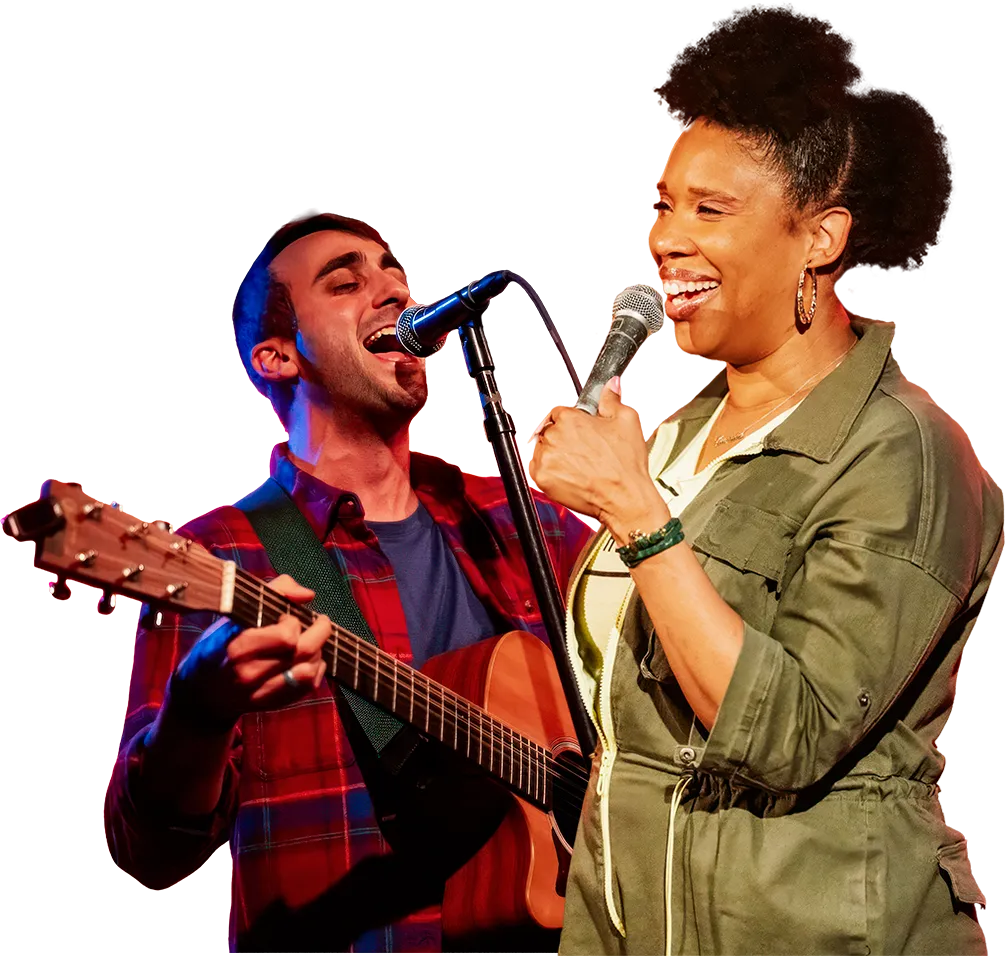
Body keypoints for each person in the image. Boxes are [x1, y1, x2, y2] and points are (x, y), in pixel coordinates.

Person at [528, 3, 1003, 955]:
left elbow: (788, 733)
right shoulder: (681, 433)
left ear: (819, 239)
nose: (667, 238)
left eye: (710, 210)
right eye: (664, 204)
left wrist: (633, 510)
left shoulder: (903, 452)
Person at [103, 208, 593, 955]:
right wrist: (198, 713)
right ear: (277, 357)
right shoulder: (220, 557)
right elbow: (151, 851)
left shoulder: (531, 529)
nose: (395, 290)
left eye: (394, 273)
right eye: (344, 283)